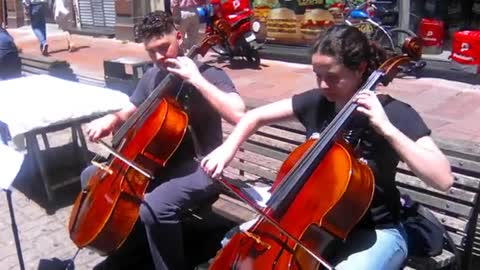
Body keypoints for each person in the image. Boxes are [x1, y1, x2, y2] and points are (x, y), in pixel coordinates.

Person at [200, 25, 454, 270]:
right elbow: (254, 117)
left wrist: (387, 129)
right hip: (312, 227)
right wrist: (227, 149)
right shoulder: (318, 102)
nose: (322, 85)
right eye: (317, 75)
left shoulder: (393, 113)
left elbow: (443, 179)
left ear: (361, 68)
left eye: (332, 77)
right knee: (233, 246)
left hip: (376, 231)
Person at [79, 10, 245, 270]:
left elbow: (238, 114)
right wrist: (112, 119)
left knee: (155, 207)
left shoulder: (209, 73)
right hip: (160, 164)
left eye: (163, 47)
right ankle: (132, 244)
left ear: (179, 37)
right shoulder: (153, 75)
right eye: (151, 52)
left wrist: (196, 79)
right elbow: (133, 107)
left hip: (202, 165)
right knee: (92, 174)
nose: (158, 57)